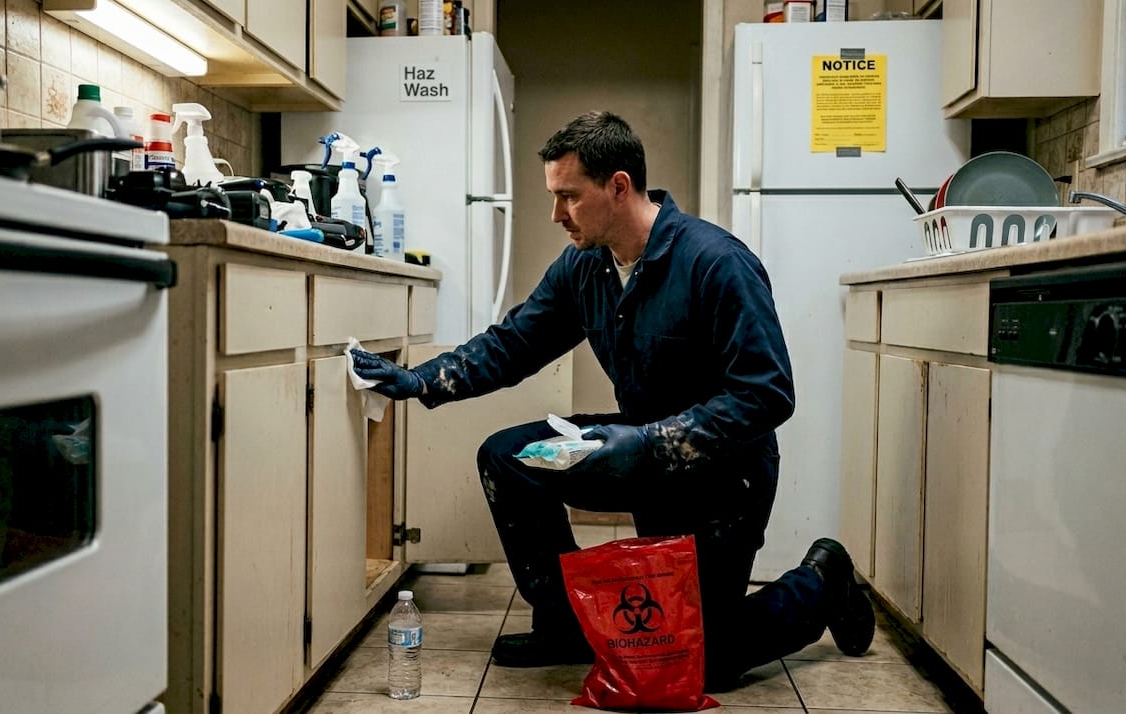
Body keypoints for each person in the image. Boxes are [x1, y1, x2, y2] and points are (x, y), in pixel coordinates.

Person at [350, 110, 874, 691]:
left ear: (618, 186)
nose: (556, 215)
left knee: (701, 661)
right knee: (509, 458)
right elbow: (515, 343)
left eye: (569, 196)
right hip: (637, 456)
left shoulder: (716, 263)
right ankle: (565, 623)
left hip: (723, 479)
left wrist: (650, 442)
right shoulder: (584, 267)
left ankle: (823, 580)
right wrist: (421, 380)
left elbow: (768, 393)